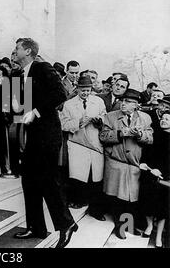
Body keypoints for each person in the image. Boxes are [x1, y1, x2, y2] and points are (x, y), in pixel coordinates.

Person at [12, 38, 77, 248]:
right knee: (29, 180)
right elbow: (20, 106)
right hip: (32, 135)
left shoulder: (42, 67)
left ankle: (66, 224)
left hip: (48, 135)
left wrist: (36, 112)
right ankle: (36, 226)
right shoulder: (18, 74)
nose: (14, 52)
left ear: (28, 51)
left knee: (48, 180)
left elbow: (60, 94)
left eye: (17, 48)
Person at [100, 89, 153, 239]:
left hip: (134, 165)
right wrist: (121, 133)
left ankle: (129, 226)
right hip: (117, 163)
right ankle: (121, 227)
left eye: (128, 102)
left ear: (136, 105)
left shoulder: (145, 118)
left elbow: (150, 138)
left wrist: (140, 135)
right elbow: (103, 136)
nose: (123, 103)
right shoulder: (110, 117)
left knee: (131, 199)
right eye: (122, 100)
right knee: (118, 199)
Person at [59, 75, 106, 220]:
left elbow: (105, 118)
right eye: (82, 90)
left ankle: (95, 208)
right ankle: (77, 201)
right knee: (78, 175)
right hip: (77, 143)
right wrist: (80, 121)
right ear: (77, 89)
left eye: (88, 90)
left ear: (91, 89)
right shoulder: (69, 104)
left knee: (96, 176)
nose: (85, 93)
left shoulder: (98, 101)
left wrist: (99, 121)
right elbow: (63, 125)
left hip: (95, 143)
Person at [139, 110, 170, 248]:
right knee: (147, 202)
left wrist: (162, 172)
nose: (164, 120)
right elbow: (145, 152)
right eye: (163, 118)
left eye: (168, 119)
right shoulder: (153, 134)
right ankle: (149, 226)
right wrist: (147, 166)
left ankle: (158, 238)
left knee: (162, 208)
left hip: (166, 178)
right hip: (150, 174)